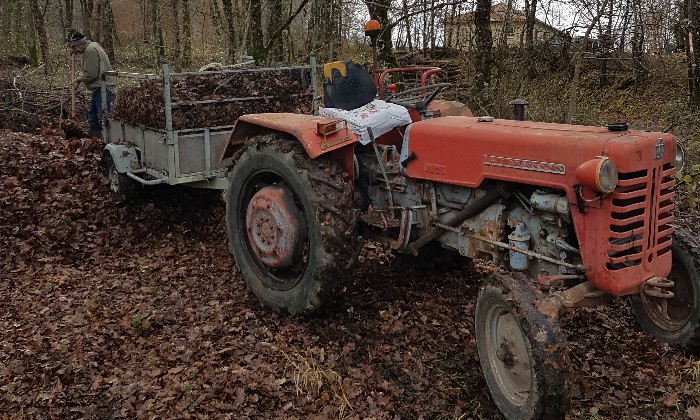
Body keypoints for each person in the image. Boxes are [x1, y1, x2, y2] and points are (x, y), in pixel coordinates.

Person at [67, 29, 116, 138]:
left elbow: (91, 74)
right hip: (100, 89)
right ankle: (97, 143)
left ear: (80, 44)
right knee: (93, 119)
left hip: (104, 89)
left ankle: (108, 142)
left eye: (74, 48)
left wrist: (78, 80)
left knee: (103, 120)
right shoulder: (92, 46)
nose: (74, 51)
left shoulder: (90, 50)